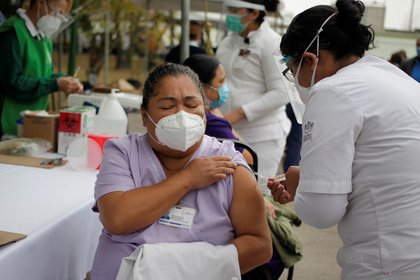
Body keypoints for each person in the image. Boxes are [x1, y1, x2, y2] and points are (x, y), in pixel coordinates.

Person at [268, 1, 420, 279]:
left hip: (389, 262)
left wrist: (304, 186)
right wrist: (311, 177)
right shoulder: (395, 78)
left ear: (311, 60)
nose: (295, 79)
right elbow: (382, 164)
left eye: (292, 69)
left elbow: (321, 212)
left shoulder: (332, 92)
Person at [90, 63, 272, 279]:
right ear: (144, 116)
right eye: (167, 107)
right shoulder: (123, 152)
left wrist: (173, 267)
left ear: (205, 112)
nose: (181, 115)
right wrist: (188, 178)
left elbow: (259, 246)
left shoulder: (229, 164)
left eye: (192, 104)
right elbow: (117, 219)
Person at [216, 0, 291, 193]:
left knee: (255, 195)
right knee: (227, 195)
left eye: (235, 11)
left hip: (262, 136)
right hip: (229, 133)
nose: (230, 16)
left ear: (255, 13)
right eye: (229, 10)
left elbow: (283, 92)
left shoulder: (274, 43)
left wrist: (240, 112)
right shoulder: (227, 42)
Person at [0, 0, 83, 139]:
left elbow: (44, 76)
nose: (58, 19)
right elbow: (13, 83)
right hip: (8, 125)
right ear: (40, 3)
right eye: (57, 13)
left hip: (34, 122)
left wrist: (65, 81)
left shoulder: (44, 38)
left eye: (62, 16)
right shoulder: (12, 33)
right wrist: (55, 83)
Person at [182, 54, 254, 163]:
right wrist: (223, 121)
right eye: (221, 82)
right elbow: (249, 157)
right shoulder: (211, 122)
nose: (224, 87)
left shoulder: (183, 114)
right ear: (201, 86)